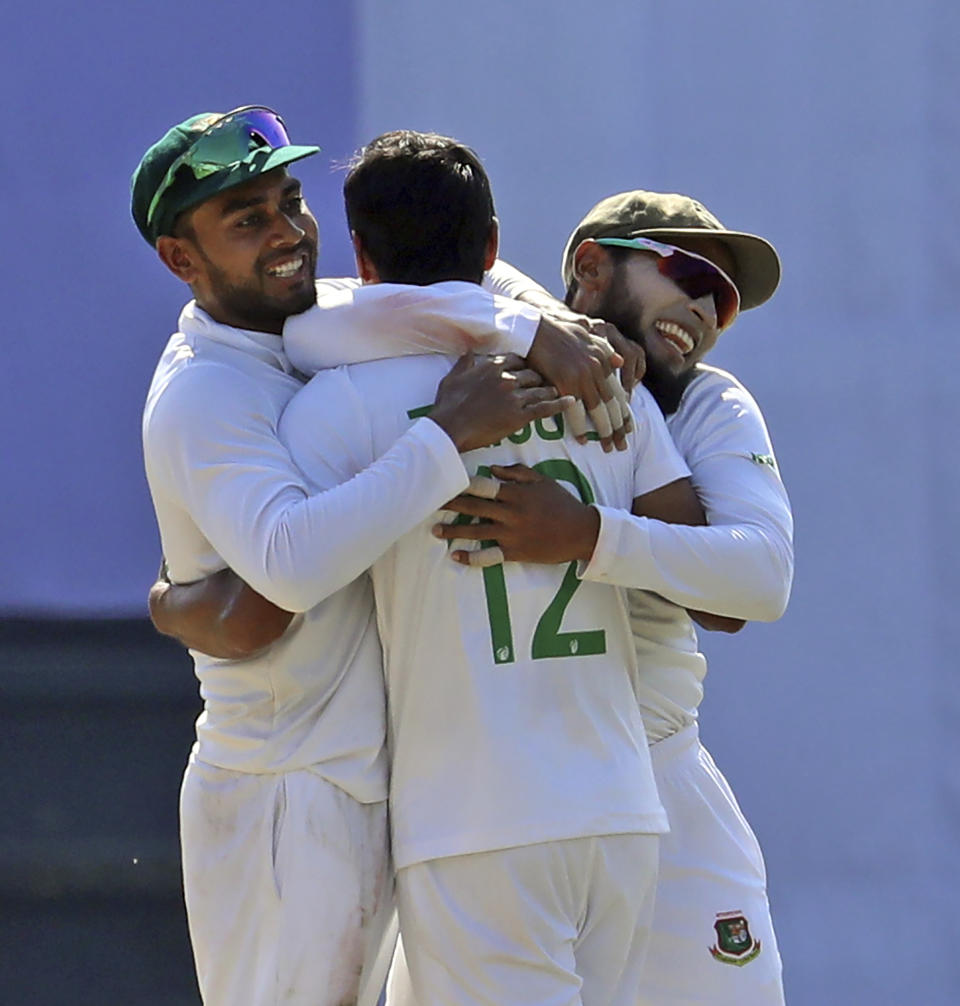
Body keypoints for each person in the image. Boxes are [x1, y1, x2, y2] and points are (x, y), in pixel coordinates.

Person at [132, 106, 611, 1006]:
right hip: (289, 789)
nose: (287, 234)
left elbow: (465, 283)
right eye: (247, 220)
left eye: (290, 200)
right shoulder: (204, 391)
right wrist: (448, 435)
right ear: (179, 260)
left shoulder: (314, 318)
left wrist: (539, 326)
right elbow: (286, 573)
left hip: (380, 779)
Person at [278, 130, 708, 1006]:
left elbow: (287, 574)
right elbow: (691, 544)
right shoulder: (598, 376)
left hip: (479, 819)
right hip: (619, 813)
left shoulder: (330, 407)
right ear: (493, 248)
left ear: (359, 256)